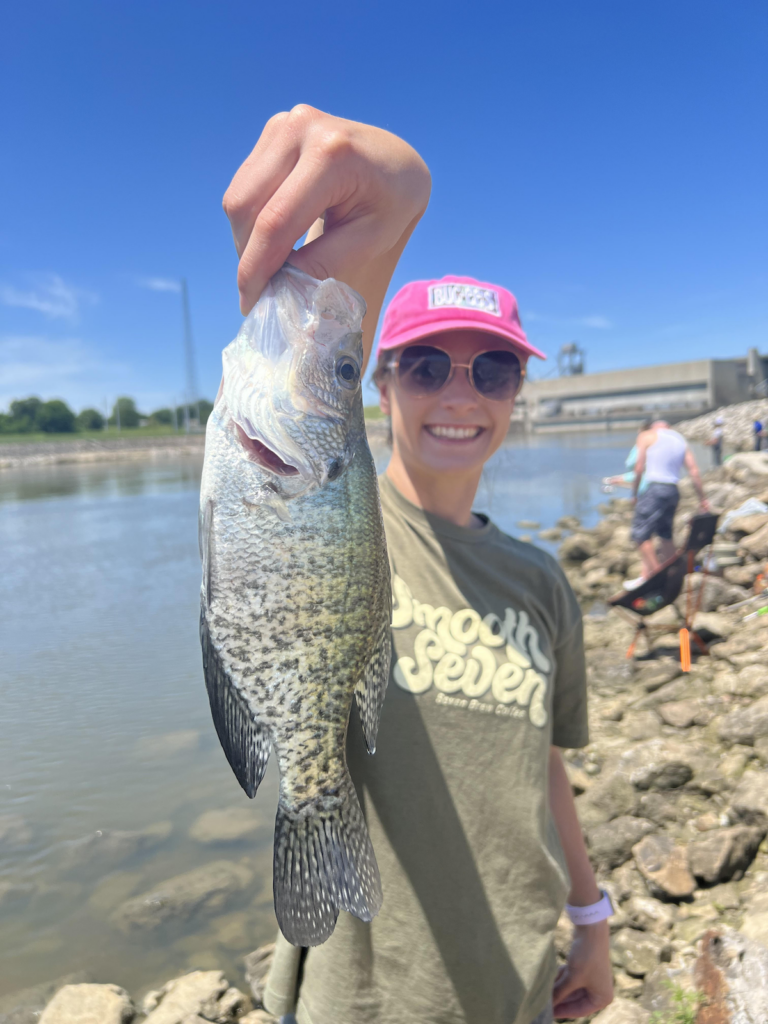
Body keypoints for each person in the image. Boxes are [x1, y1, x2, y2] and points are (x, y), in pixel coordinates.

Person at [223, 106, 613, 1024]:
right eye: (429, 364)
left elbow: (540, 765)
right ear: (383, 379)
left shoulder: (540, 581)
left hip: (513, 978)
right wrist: (396, 198)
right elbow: (312, 345)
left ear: (518, 393)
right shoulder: (338, 509)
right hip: (362, 996)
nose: (460, 394)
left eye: (494, 372)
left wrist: (591, 914)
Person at [626, 419, 709, 587]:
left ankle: (658, 578)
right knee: (665, 535)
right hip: (672, 490)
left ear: (655, 427)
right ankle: (674, 577)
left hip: (655, 488)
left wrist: (634, 494)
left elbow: (639, 467)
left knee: (640, 535)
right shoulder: (679, 439)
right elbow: (693, 470)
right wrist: (702, 499)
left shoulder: (647, 435)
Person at [602, 419, 652, 493]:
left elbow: (633, 466)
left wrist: (617, 479)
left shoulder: (641, 444)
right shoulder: (658, 443)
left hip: (646, 489)